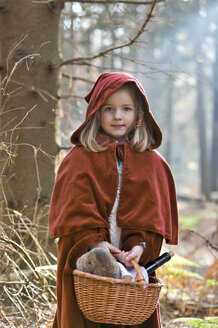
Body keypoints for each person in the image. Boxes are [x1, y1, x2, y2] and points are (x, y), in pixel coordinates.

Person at [48, 72, 178, 328]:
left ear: (139, 114)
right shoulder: (79, 159)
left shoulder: (153, 163)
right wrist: (95, 243)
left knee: (128, 311)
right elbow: (73, 211)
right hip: (90, 252)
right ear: (97, 111)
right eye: (109, 109)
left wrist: (140, 246)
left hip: (132, 259)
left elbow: (153, 216)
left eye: (126, 109)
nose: (118, 116)